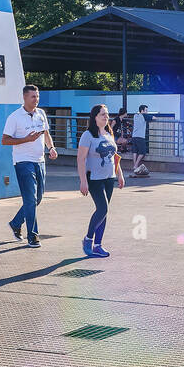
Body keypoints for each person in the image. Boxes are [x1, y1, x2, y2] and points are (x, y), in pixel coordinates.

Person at [1, 85, 58, 248]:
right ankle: (32, 235)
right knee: (30, 199)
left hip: (40, 160)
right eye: (33, 96)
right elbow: (4, 140)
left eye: (37, 96)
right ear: (24, 97)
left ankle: (16, 223)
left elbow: (46, 134)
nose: (36, 99)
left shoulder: (41, 114)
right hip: (23, 161)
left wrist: (51, 148)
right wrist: (25, 139)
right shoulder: (14, 117)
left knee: (37, 198)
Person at [78, 103, 125, 258]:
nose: (106, 116)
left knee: (104, 213)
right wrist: (83, 180)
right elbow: (81, 159)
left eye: (107, 114)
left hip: (109, 178)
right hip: (94, 178)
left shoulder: (109, 134)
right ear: (95, 117)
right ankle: (88, 239)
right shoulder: (88, 135)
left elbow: (114, 157)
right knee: (102, 209)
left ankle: (98, 245)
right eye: (102, 114)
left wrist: (120, 174)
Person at [130, 104, 151, 176]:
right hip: (140, 137)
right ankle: (136, 165)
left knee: (135, 151)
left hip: (134, 136)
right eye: (146, 110)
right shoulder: (144, 115)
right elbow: (153, 117)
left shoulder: (135, 115)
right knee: (142, 152)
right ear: (142, 110)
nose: (147, 112)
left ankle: (134, 166)